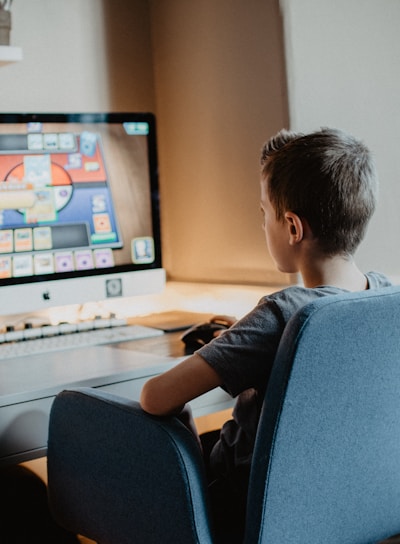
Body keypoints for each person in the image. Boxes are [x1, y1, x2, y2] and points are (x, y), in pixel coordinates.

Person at [140, 127, 392, 542]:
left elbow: (156, 397)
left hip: (242, 505)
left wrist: (230, 346)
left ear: (292, 227)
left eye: (264, 213)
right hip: (338, 505)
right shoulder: (387, 299)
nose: (263, 223)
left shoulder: (282, 314)